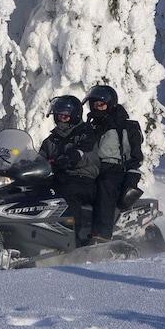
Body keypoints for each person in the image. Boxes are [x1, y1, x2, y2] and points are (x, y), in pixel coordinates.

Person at [82, 85, 145, 243]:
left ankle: (102, 234)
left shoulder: (124, 126)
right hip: (93, 167)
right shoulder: (90, 126)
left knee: (105, 184)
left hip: (115, 169)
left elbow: (135, 155)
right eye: (95, 105)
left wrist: (132, 174)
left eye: (101, 105)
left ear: (110, 104)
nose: (98, 108)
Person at [38, 95, 100, 246]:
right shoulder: (52, 139)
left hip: (82, 178)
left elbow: (87, 154)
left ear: (74, 116)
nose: (61, 119)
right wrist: (25, 163)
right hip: (59, 177)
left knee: (67, 193)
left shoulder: (86, 133)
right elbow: (40, 157)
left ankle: (74, 239)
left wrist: (71, 158)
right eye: (58, 116)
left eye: (65, 116)